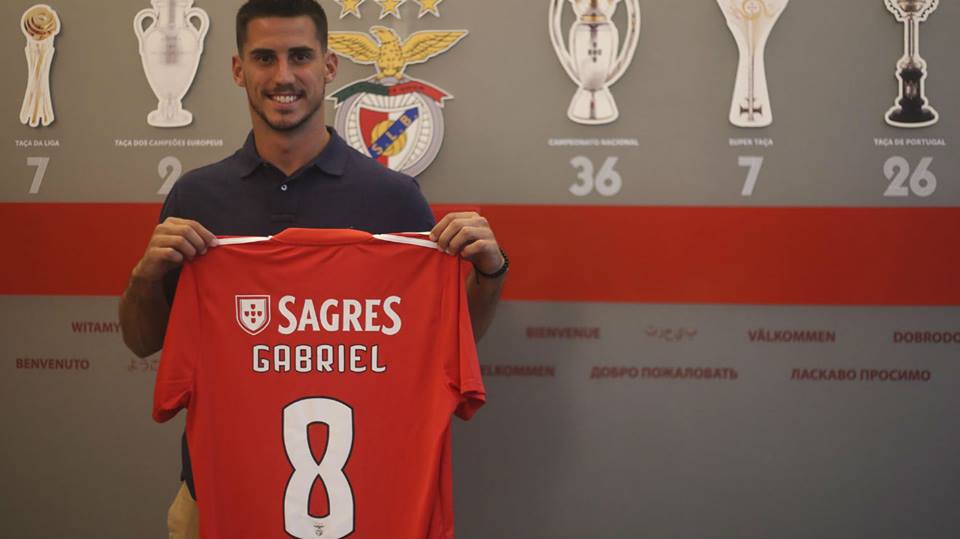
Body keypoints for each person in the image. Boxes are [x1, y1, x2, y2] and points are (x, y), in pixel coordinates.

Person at [118, 1, 506, 536]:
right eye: (264, 58)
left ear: (328, 67)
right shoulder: (196, 196)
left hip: (368, 506)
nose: (283, 76)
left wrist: (488, 275)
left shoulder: (392, 198)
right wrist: (145, 275)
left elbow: (443, 348)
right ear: (238, 70)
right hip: (221, 500)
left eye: (300, 56)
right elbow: (144, 343)